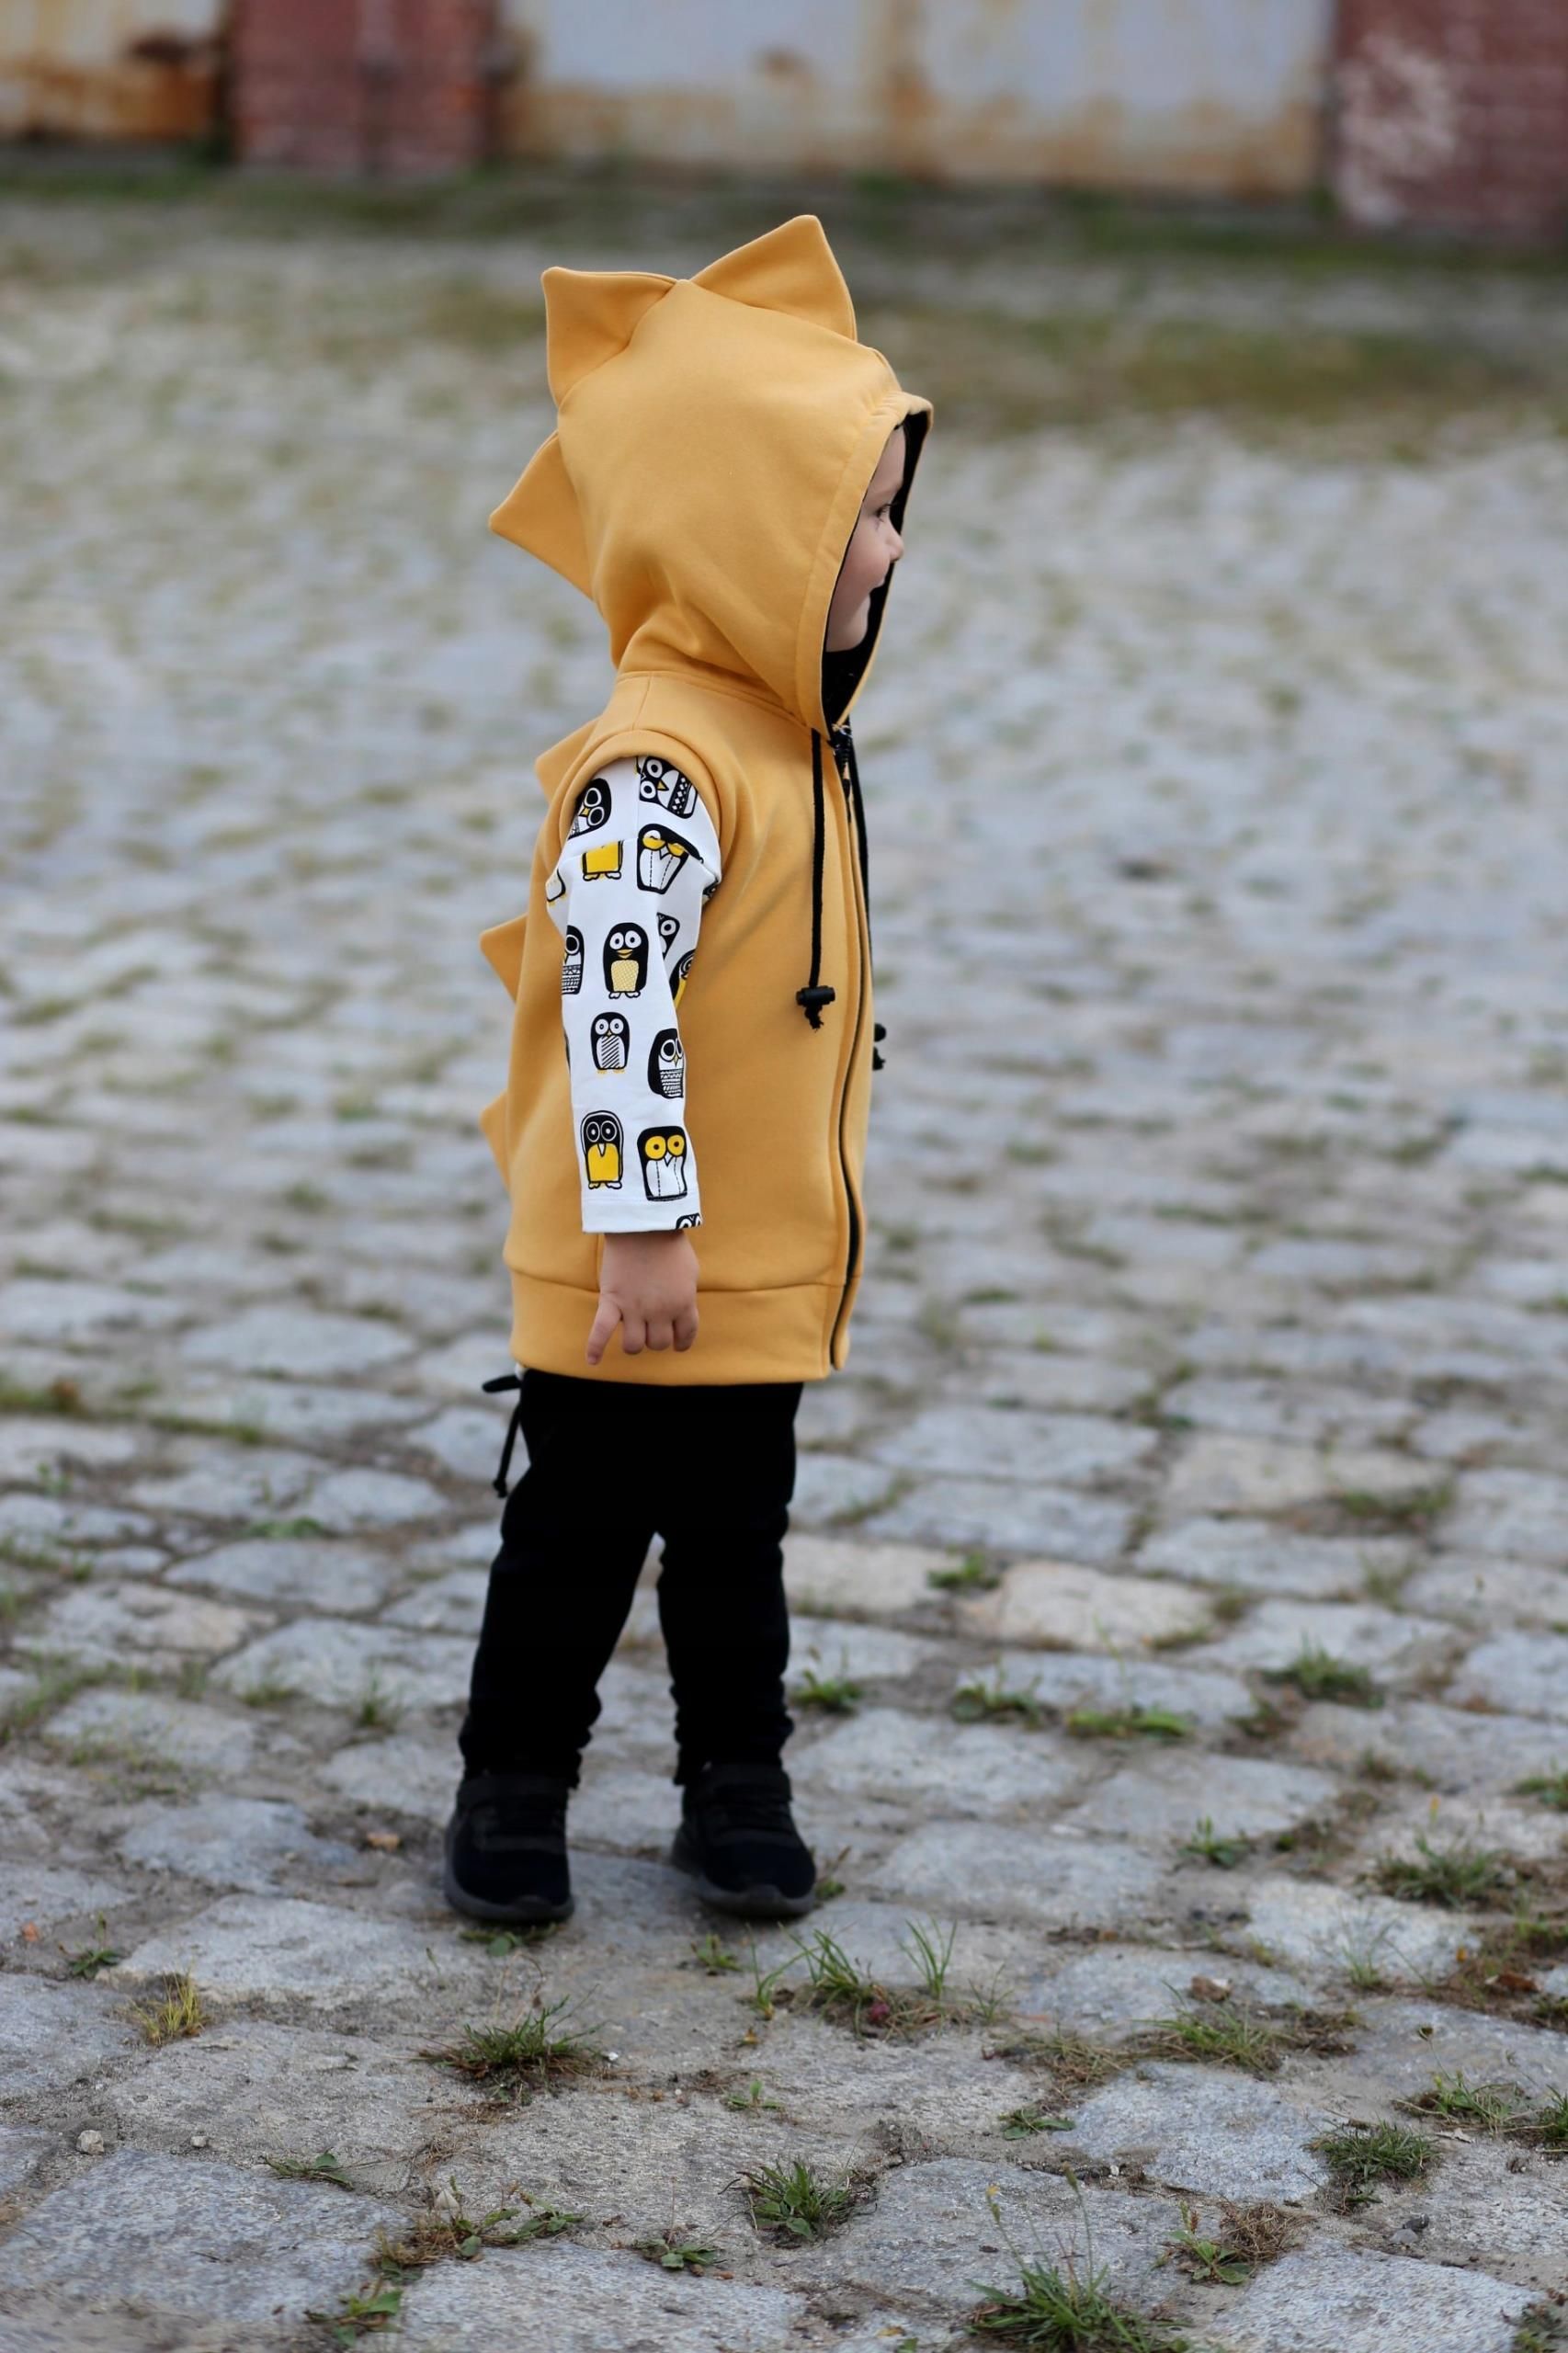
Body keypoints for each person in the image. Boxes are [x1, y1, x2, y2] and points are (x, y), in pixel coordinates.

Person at [446, 213, 930, 1927]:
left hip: (759, 1254)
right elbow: (615, 998)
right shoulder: (660, 764)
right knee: (575, 1530)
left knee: (736, 1538)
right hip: (633, 1258)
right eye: (863, 515)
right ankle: (512, 1782)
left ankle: (738, 1780)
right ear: (749, 538)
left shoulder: (796, 735)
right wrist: (643, 1227)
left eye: (893, 509)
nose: (892, 548)